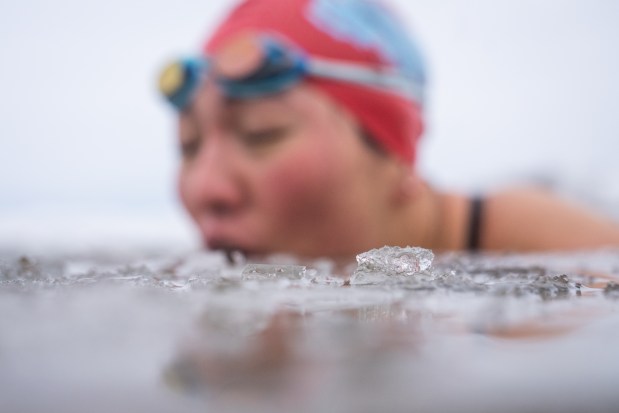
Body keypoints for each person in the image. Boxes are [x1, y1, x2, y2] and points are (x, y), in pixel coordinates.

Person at [158, 0, 619, 260]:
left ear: (397, 154)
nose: (204, 189)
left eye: (262, 133)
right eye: (189, 146)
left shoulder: (560, 253)